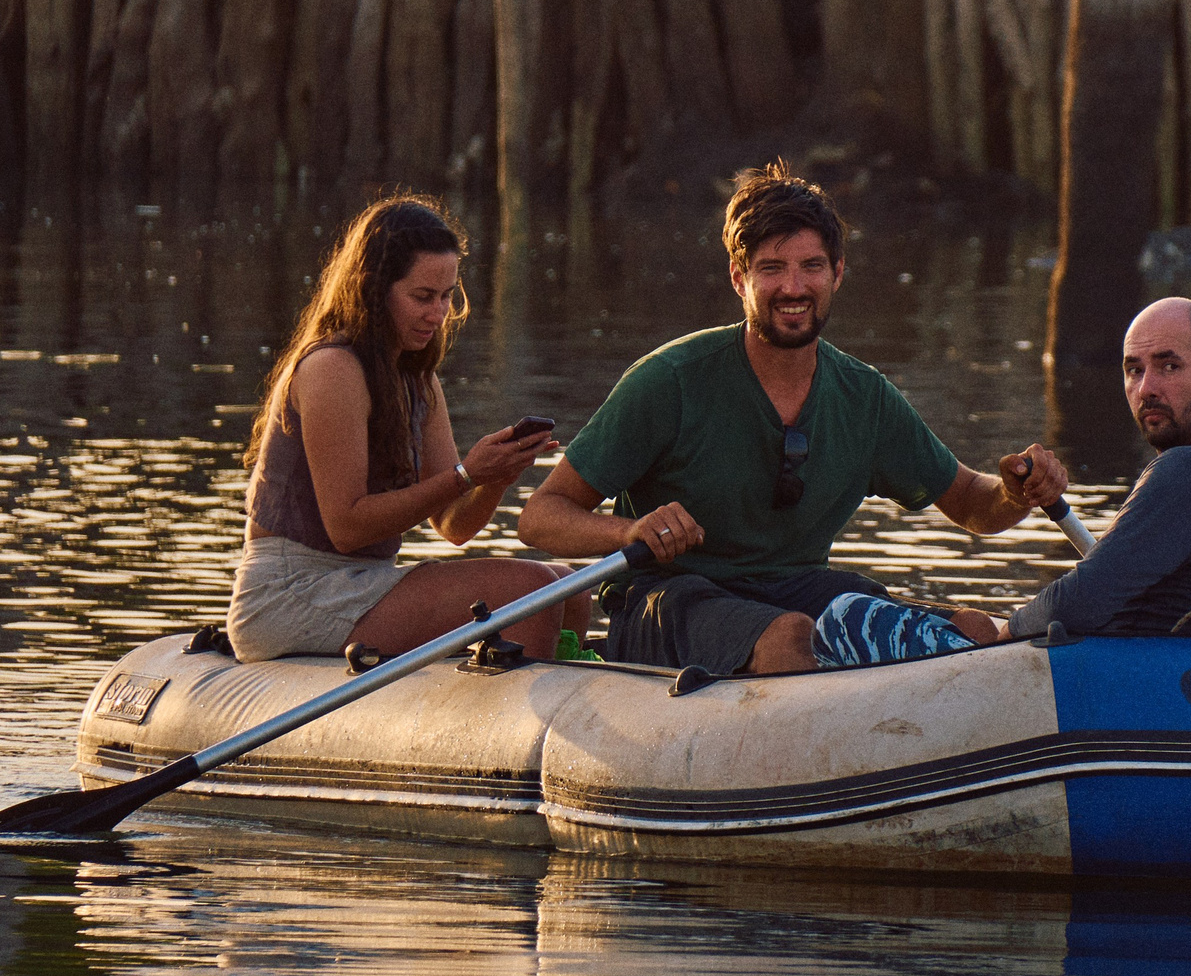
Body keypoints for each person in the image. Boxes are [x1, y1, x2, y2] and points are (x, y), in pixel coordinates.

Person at [516, 162, 1070, 677]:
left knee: (972, 630)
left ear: (837, 274)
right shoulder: (669, 381)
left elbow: (974, 503)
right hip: (666, 601)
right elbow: (540, 517)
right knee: (789, 638)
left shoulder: (865, 395)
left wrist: (1019, 491)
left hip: (797, 589)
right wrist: (629, 531)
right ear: (739, 278)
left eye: (811, 267)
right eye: (771, 269)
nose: (793, 287)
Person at [811, 295, 1191, 667]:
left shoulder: (1188, 470)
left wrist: (1003, 632)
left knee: (848, 611)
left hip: (1141, 704)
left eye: (1169, 366)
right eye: (1133, 369)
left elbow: (1084, 601)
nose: (1146, 387)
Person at [226, 196, 587, 663]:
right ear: (374, 290)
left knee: (569, 586)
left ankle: (565, 697)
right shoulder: (332, 367)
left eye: (446, 296)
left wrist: (494, 477)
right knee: (532, 588)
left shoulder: (418, 380)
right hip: (290, 592)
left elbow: (453, 525)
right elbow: (347, 528)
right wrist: (465, 475)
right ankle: (520, 721)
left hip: (364, 581)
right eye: (422, 297)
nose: (438, 315)